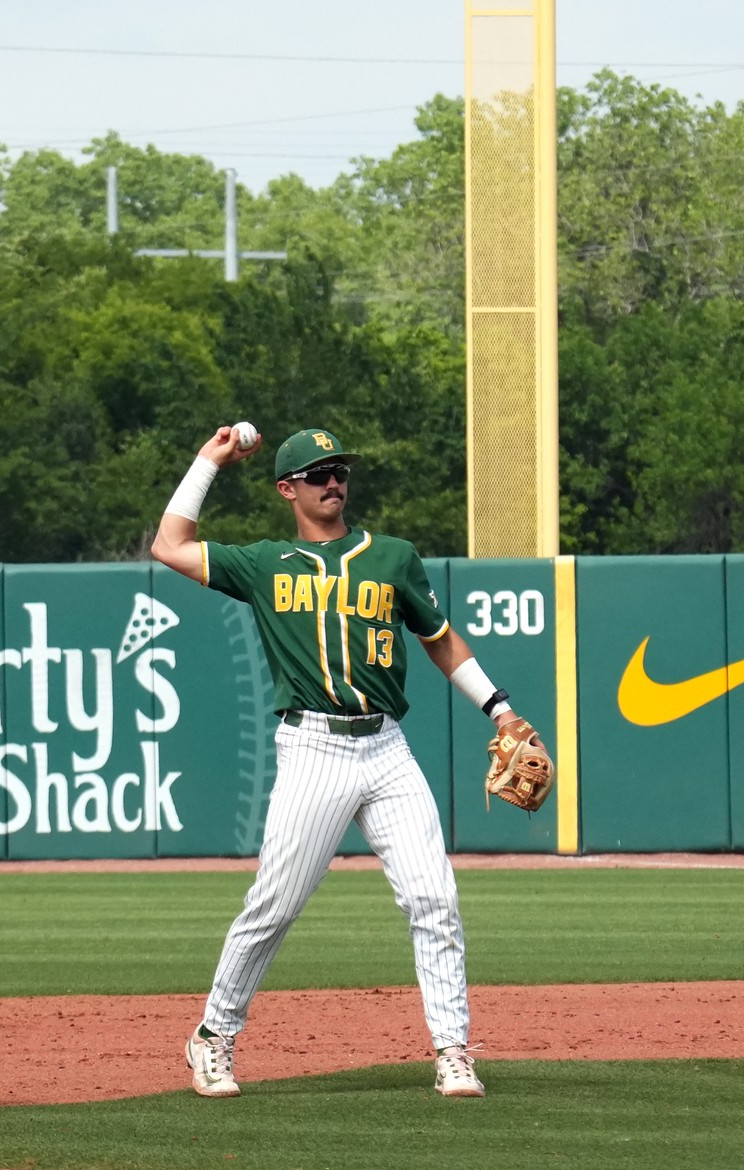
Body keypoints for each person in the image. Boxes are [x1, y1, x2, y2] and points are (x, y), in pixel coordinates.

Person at [151, 424, 542, 1099]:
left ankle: (452, 1049)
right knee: (274, 904)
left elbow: (440, 640)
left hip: (387, 746)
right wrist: (209, 460)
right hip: (312, 747)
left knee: (434, 898)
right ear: (287, 489)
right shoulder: (265, 563)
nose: (334, 482)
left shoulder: (391, 557)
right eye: (318, 473)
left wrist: (500, 709)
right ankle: (212, 1036)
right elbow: (170, 545)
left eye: (341, 471)